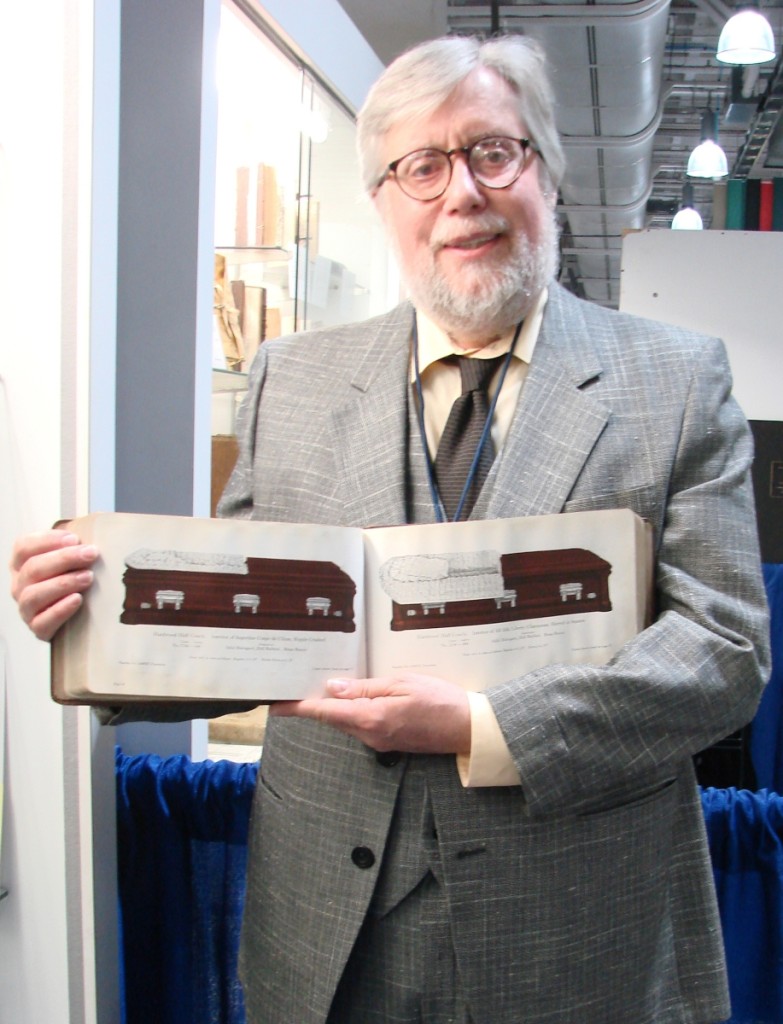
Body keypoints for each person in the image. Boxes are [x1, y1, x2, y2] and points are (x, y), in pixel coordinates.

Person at [10, 34, 770, 1024]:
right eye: (422, 165)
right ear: (382, 199)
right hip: (328, 924)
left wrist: (483, 728)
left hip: (578, 936)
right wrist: (93, 620)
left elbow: (725, 650)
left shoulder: (678, 381)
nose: (461, 192)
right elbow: (243, 625)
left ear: (547, 170)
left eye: (493, 152)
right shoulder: (294, 377)